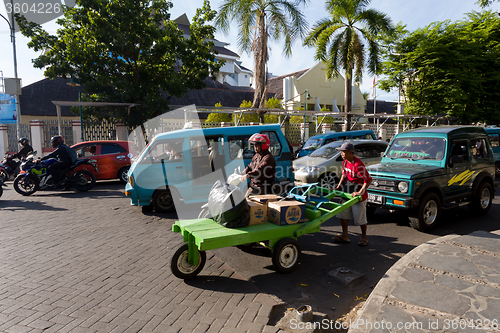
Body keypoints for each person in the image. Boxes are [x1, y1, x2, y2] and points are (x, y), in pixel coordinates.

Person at [333, 142, 372, 246]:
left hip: (358, 192)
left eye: (343, 152)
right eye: (341, 151)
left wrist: (359, 192)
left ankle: (364, 237)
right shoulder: (345, 161)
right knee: (343, 213)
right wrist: (339, 185)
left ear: (350, 152)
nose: (341, 153)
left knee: (359, 217)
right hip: (347, 190)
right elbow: (344, 174)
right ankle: (345, 235)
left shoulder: (358, 165)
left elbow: (368, 180)